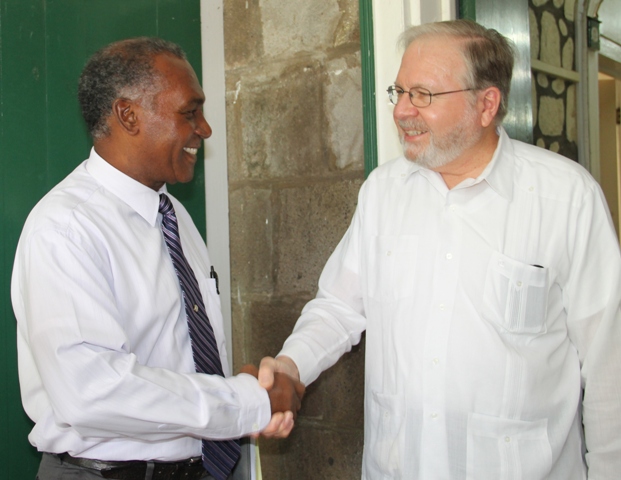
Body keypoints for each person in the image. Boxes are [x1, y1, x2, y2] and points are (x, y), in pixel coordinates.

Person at [258, 19, 621, 479]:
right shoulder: (383, 192)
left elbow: (611, 364)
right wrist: (291, 367)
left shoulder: (566, 198)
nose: (402, 111)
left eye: (423, 95)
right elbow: (338, 308)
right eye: (400, 91)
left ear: (486, 104)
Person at [11, 37, 303, 480]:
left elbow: (169, 354)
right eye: (190, 112)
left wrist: (234, 390)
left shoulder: (172, 213)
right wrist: (243, 403)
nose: (204, 129)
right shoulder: (66, 228)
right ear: (128, 115)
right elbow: (93, 392)